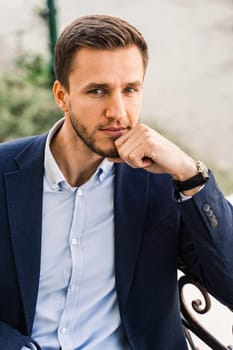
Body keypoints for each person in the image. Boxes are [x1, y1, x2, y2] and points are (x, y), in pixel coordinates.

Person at [0, 14, 232, 350]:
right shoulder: (6, 172)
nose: (118, 112)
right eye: (98, 91)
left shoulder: (164, 183)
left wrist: (190, 173)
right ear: (62, 96)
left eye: (130, 90)